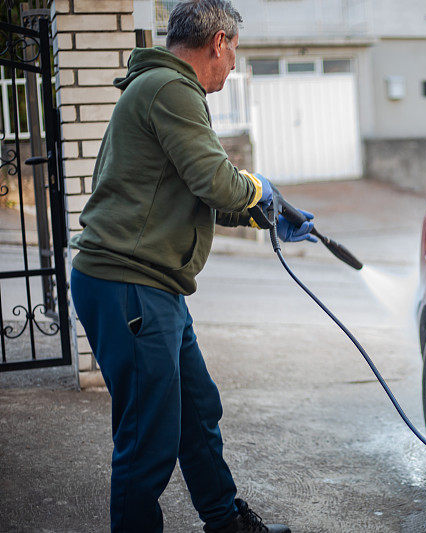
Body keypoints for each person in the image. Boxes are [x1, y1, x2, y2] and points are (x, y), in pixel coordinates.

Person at [69, 1, 311, 531]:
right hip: (128, 284)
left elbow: (197, 191)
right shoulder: (171, 89)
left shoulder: (163, 89)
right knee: (147, 444)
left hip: (153, 287)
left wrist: (263, 216)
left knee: (197, 414)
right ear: (218, 42)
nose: (233, 67)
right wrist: (260, 188)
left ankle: (226, 523)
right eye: (234, 54)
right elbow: (218, 180)